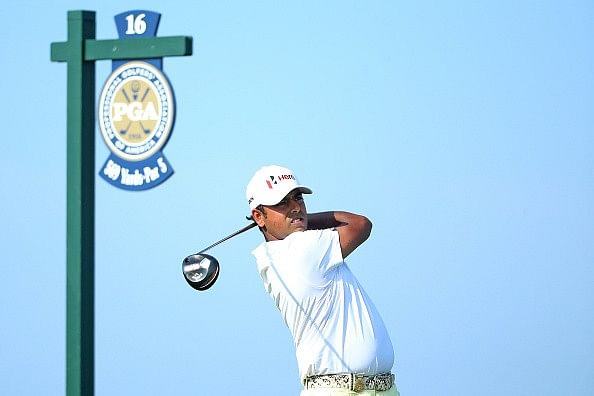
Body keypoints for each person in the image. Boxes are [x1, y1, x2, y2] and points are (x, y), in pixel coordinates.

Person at [246, 165, 400, 396]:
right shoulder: (302, 248)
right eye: (282, 203)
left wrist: (295, 220)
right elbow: (360, 224)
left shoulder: (276, 254)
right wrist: (303, 220)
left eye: (297, 198)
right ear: (258, 216)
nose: (296, 207)